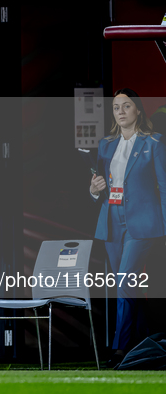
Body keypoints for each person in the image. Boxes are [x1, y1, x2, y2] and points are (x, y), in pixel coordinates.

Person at [90, 88, 166, 368]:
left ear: (138, 111)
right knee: (127, 286)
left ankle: (120, 348)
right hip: (112, 219)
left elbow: (165, 187)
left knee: (124, 282)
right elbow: (100, 186)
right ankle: (145, 344)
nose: (120, 111)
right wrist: (94, 190)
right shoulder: (106, 145)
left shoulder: (154, 142)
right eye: (115, 107)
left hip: (143, 221)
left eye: (126, 106)